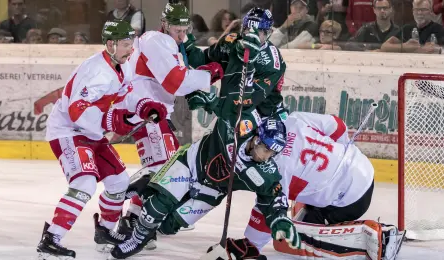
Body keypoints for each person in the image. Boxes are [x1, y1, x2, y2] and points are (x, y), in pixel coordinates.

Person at [35, 20, 168, 259]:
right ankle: (50, 240)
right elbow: (77, 110)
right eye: (126, 44)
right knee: (84, 183)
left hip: (91, 133)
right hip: (69, 131)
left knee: (118, 182)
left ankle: (105, 232)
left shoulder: (122, 65)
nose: (131, 49)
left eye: (131, 44)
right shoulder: (95, 70)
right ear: (110, 44)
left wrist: (144, 107)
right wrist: (112, 121)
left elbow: (125, 97)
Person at [109, 104, 301, 259]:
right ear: (257, 139)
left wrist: (279, 217)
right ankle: (138, 238)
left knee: (168, 226)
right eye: (266, 150)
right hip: (191, 162)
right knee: (159, 204)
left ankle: (149, 191)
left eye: (273, 153)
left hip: (212, 191)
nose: (268, 157)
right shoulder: (234, 126)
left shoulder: (265, 172)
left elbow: (273, 196)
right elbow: (221, 102)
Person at [219, 111, 405, 260]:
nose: (260, 155)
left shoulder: (278, 171)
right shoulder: (294, 120)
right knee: (298, 207)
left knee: (290, 239)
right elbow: (338, 126)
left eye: (265, 151)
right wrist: (339, 157)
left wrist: (250, 246)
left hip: (351, 200)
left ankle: (372, 237)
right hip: (363, 165)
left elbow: (268, 209)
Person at [118, 1, 224, 237]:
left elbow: (185, 70)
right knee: (163, 167)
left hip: (151, 113)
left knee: (166, 164)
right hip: (145, 112)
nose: (182, 35)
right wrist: (212, 73)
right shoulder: (157, 40)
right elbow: (176, 81)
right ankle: (126, 212)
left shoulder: (167, 41)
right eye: (178, 30)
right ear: (164, 24)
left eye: (186, 30)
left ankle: (135, 215)